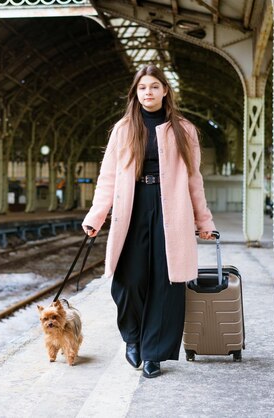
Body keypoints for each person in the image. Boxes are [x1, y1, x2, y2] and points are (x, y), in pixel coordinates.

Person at [82, 65, 215, 378]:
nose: (149, 93)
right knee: (128, 279)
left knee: (165, 282)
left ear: (165, 90)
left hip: (173, 209)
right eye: (142, 88)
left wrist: (203, 221)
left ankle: (153, 354)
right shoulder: (123, 129)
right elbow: (108, 177)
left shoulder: (184, 129)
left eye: (155, 86)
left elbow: (194, 179)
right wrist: (96, 215)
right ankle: (133, 337)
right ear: (135, 92)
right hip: (134, 205)